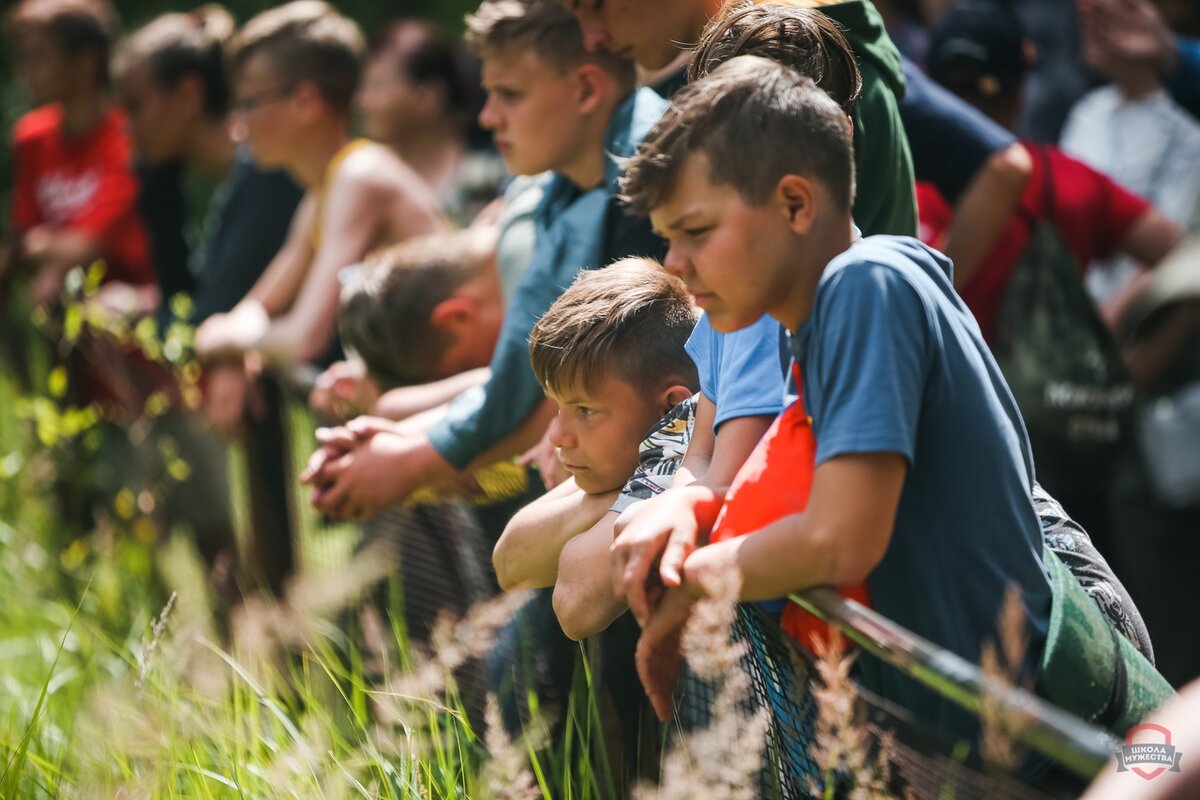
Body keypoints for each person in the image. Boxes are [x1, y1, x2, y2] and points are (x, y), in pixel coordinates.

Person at [613, 55, 1153, 759]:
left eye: (696, 230)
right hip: (979, 726)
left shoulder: (867, 287)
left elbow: (841, 538)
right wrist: (696, 506)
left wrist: (693, 587)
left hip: (1055, 733)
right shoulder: (808, 320)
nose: (676, 263)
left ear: (795, 204)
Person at [301, 0, 667, 521]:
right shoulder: (556, 191)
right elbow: (521, 376)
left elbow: (552, 394)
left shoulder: (645, 187)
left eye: (510, 95)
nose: (487, 115)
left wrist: (409, 456)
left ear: (587, 89)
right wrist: (402, 436)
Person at [488, 258, 697, 781]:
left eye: (584, 410)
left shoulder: (694, 451)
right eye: (558, 407)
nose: (559, 436)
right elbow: (510, 560)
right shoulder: (642, 460)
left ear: (673, 409)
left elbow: (575, 605)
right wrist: (629, 491)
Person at [192, 0, 446, 424]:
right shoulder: (324, 190)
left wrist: (225, 341)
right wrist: (234, 351)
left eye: (251, 102)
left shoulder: (358, 177)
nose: (238, 124)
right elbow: (261, 306)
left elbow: (302, 337)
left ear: (305, 102)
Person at [115, 5, 304, 327]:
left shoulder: (266, 174)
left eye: (136, 107)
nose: (126, 128)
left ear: (188, 96)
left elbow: (205, 318)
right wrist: (158, 192)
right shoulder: (236, 176)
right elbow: (187, 301)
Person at [5, 0, 154, 318]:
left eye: (39, 57)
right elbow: (23, 229)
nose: (24, 71)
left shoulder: (129, 135)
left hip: (135, 308)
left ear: (87, 63)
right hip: (62, 311)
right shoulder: (31, 138)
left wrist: (34, 251)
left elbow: (85, 246)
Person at [1061, 0, 1200, 303]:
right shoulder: (1087, 113)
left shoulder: (1187, 124)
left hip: (1143, 325)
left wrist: (1110, 331)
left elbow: (1182, 257)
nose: (1087, 15)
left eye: (1103, 13)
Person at [357, 20, 505, 228]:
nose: (362, 101)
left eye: (377, 86)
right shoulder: (362, 182)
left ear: (429, 97)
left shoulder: (495, 179)